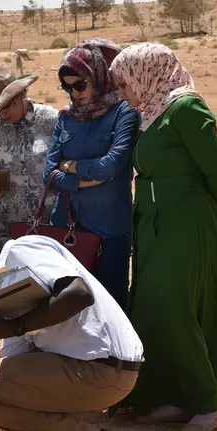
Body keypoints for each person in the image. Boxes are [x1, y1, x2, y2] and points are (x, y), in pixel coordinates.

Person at [109, 43, 217, 431]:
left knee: (176, 308)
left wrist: (211, 202)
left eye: (123, 84)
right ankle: (172, 397)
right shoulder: (150, 113)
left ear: (145, 75)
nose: (121, 93)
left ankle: (208, 403)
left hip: (185, 222)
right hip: (152, 223)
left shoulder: (186, 108)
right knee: (150, 309)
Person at [0, 220, 144, 431]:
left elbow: (79, 294)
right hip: (112, 373)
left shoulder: (22, 249)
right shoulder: (16, 288)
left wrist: (15, 327)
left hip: (99, 370)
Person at [0, 62, 59, 363]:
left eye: (5, 106)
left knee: (47, 292)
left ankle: (45, 355)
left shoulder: (53, 121)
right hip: (6, 227)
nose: (1, 114)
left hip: (48, 225)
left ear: (22, 95)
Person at [44, 39, 139, 310]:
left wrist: (71, 167)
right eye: (67, 86)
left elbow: (112, 164)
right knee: (71, 306)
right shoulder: (66, 117)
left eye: (80, 84)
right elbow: (49, 175)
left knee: (113, 305)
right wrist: (86, 180)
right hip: (69, 229)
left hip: (110, 232)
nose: (74, 93)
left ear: (99, 76)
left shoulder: (124, 112)